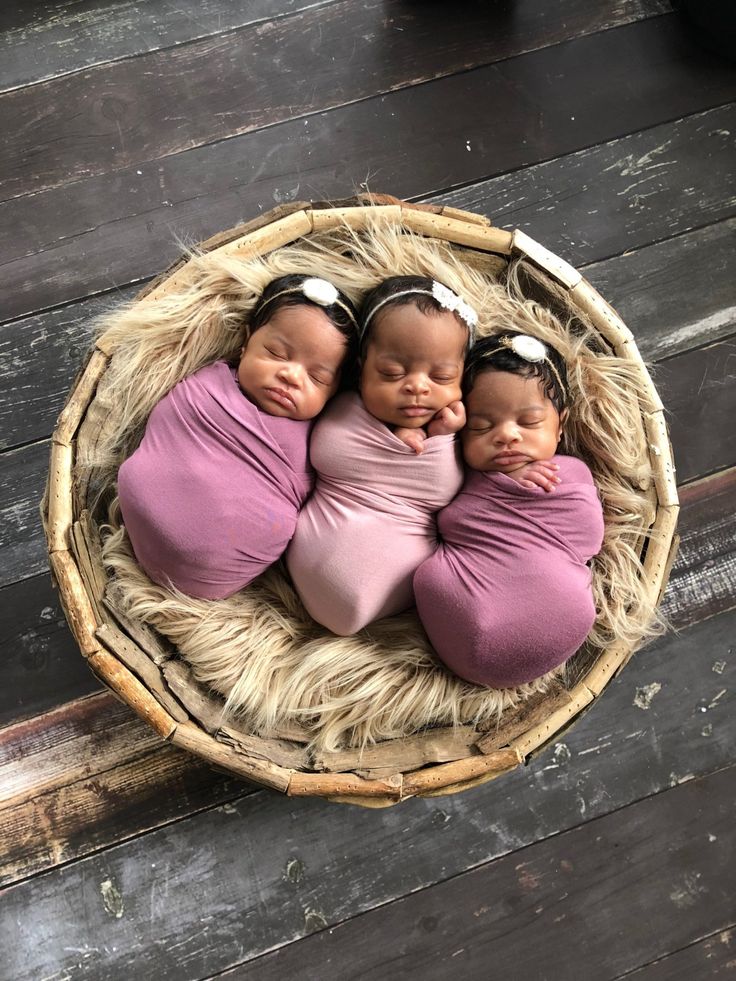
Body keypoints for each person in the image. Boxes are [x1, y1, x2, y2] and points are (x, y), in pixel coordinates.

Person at [117, 274, 359, 600]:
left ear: (334, 392)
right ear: (245, 344)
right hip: (140, 504)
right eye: (276, 353)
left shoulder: (322, 436)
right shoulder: (209, 385)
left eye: (317, 377)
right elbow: (173, 423)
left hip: (214, 565)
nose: (291, 376)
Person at [286, 275, 477, 635]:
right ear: (359, 368)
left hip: (403, 586)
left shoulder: (464, 431)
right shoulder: (335, 400)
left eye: (441, 375)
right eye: (392, 372)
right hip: (299, 560)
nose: (418, 386)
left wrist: (441, 434)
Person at [413, 331, 605, 688]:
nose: (506, 436)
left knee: (432, 572)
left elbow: (588, 534)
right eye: (481, 427)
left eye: (529, 423)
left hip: (561, 612)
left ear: (560, 424)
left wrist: (512, 487)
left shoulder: (570, 473)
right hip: (466, 620)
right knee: (430, 576)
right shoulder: (458, 472)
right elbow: (445, 515)